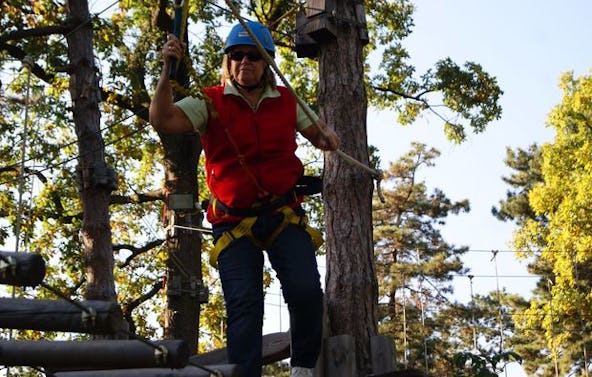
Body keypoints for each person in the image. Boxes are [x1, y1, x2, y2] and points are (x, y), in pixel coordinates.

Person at [149, 20, 340, 377]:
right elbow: (162, 119)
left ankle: (302, 367)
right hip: (232, 222)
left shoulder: (286, 101)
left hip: (284, 214)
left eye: (253, 56)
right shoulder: (209, 101)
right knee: (244, 306)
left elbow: (320, 133)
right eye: (236, 56)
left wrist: (328, 135)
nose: (244, 62)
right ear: (228, 61)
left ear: (267, 62)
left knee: (305, 291)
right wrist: (166, 72)